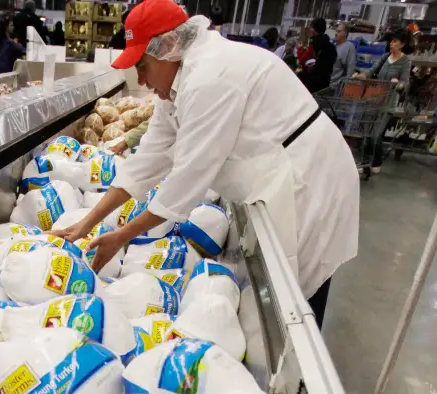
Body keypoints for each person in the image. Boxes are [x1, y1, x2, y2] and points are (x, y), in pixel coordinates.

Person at [51, 0, 359, 328]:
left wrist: (121, 236)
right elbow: (146, 161)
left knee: (296, 303)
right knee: (284, 293)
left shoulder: (210, 76)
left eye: (142, 65)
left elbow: (187, 180)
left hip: (308, 178)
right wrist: (89, 221)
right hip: (277, 172)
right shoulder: (179, 82)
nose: (140, 79)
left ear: (168, 46)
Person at [354, 29, 411, 173]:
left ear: (402, 44)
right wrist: (362, 75)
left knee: (376, 134)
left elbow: (405, 82)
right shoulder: (385, 57)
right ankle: (365, 162)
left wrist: (399, 84)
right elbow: (372, 70)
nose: (391, 44)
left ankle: (376, 161)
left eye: (395, 41)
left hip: (388, 103)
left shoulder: (405, 61)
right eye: (391, 41)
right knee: (367, 133)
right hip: (374, 98)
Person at [298, 18, 336, 92]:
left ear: (314, 29)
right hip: (323, 84)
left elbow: (300, 60)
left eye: (311, 27)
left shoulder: (309, 43)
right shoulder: (331, 47)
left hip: (307, 82)